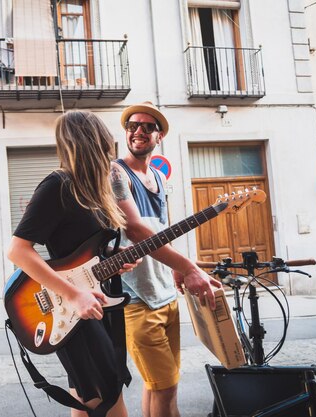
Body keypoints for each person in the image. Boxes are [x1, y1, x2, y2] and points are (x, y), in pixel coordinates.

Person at [7, 110, 140, 417]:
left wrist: (114, 264)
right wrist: (72, 293)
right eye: (106, 138)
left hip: (91, 303)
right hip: (69, 308)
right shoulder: (57, 186)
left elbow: (81, 254)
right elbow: (17, 250)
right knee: (105, 395)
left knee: (87, 396)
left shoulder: (94, 190)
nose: (111, 145)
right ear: (95, 141)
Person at [110, 101, 222, 417]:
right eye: (132, 125)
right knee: (166, 388)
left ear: (160, 136)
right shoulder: (116, 173)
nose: (138, 131)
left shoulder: (159, 177)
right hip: (136, 298)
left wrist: (173, 270)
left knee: (158, 384)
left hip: (165, 294)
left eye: (148, 126)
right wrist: (187, 266)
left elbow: (162, 227)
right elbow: (134, 228)